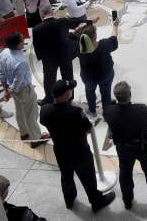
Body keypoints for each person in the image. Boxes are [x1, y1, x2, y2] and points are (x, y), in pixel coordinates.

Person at [39, 79, 116, 212]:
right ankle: (96, 201)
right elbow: (88, 128)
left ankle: (69, 200)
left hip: (60, 150)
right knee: (88, 177)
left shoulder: (45, 110)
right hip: (79, 151)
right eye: (70, 90)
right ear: (65, 95)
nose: (71, 91)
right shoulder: (75, 112)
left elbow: (44, 122)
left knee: (66, 176)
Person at [103, 81, 147, 211]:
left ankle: (127, 200)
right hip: (144, 148)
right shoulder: (141, 110)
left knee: (125, 173)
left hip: (123, 148)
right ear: (130, 94)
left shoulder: (109, 110)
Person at [0, 32, 49, 148]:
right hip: (24, 90)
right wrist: (10, 91)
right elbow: (17, 82)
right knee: (31, 114)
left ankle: (24, 133)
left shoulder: (3, 53)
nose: (24, 39)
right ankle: (36, 138)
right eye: (22, 39)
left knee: (20, 111)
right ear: (19, 45)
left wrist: (6, 90)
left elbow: (0, 72)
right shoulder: (21, 62)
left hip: (13, 89)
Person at [32, 4, 82, 105]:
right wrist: (90, 22)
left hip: (49, 59)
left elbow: (37, 46)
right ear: (52, 12)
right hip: (65, 55)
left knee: (49, 79)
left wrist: (41, 58)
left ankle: (49, 99)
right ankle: (70, 96)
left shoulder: (36, 29)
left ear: (41, 15)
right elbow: (76, 23)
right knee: (68, 77)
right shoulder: (63, 21)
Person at [77, 18, 120, 116]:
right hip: (106, 74)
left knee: (89, 91)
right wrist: (115, 26)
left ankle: (92, 110)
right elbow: (114, 38)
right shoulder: (104, 45)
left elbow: (69, 38)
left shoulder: (78, 48)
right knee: (106, 92)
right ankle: (106, 113)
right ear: (95, 36)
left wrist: (78, 29)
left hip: (88, 77)